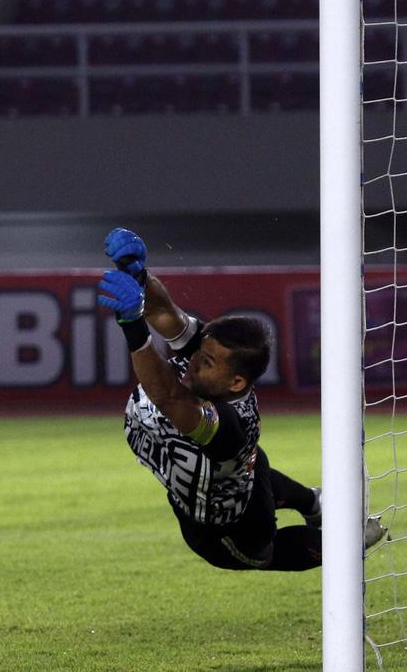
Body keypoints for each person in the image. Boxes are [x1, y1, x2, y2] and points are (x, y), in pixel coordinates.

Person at [96, 228, 386, 571]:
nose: (192, 362)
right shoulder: (213, 362)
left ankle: (347, 544)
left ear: (236, 382)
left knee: (264, 551)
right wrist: (139, 277)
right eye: (199, 353)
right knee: (255, 463)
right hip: (243, 475)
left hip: (227, 534)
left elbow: (168, 396)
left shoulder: (225, 426)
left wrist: (132, 324)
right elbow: (165, 314)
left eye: (206, 362)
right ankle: (315, 504)